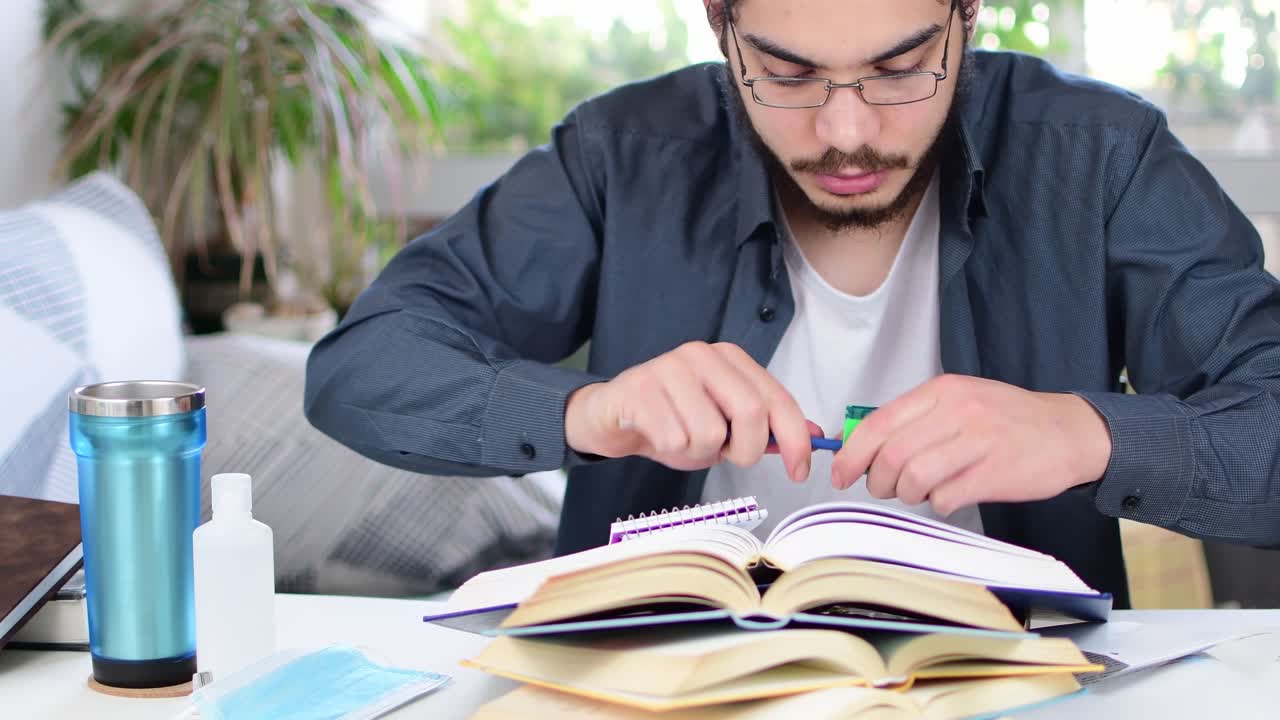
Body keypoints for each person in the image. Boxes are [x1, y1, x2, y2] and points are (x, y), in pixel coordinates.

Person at [304, 0, 1280, 607]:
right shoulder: (621, 154)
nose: (845, 132)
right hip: (668, 685)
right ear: (718, 25)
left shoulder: (1100, 155)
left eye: (901, 68)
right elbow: (363, 363)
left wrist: (1087, 435)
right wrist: (581, 411)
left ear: (965, 15)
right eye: (786, 73)